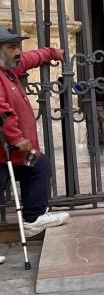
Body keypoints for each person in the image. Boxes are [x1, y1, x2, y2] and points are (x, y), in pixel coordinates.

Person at [0, 27, 69, 237]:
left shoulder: (9, 70)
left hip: (13, 152)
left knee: (39, 166)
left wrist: (51, 53)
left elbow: (30, 58)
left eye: (18, 46)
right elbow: (1, 110)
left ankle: (33, 218)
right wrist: (16, 137)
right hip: (5, 150)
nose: (18, 51)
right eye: (12, 47)